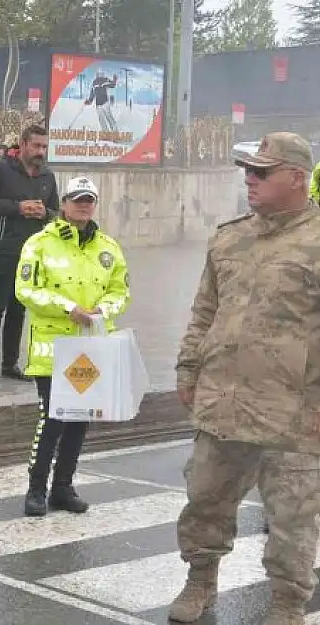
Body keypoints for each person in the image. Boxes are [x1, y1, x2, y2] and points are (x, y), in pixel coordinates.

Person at [170, 132, 320, 625]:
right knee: (205, 499)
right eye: (247, 171)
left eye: (262, 172)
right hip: (223, 402)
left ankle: (287, 603)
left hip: (295, 412)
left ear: (297, 178)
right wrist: (188, 367)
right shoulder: (230, 236)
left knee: (292, 519)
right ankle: (200, 581)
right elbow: (205, 310)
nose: (250, 180)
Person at [13, 176, 129, 518]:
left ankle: (63, 487)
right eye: (77, 199)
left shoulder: (108, 246)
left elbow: (120, 291)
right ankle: (36, 487)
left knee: (81, 419)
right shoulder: (40, 243)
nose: (83, 204)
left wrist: (102, 310)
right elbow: (26, 290)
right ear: (63, 204)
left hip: (91, 345)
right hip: (53, 345)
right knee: (52, 416)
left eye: (89, 199)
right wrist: (68, 308)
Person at [0, 124, 58, 384]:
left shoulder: (47, 177)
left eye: (44, 146)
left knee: (19, 310)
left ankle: (10, 363)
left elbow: (57, 212)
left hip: (32, 256)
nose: (40, 152)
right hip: (1, 251)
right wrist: (17, 207)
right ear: (22, 144)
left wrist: (45, 214)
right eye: (36, 146)